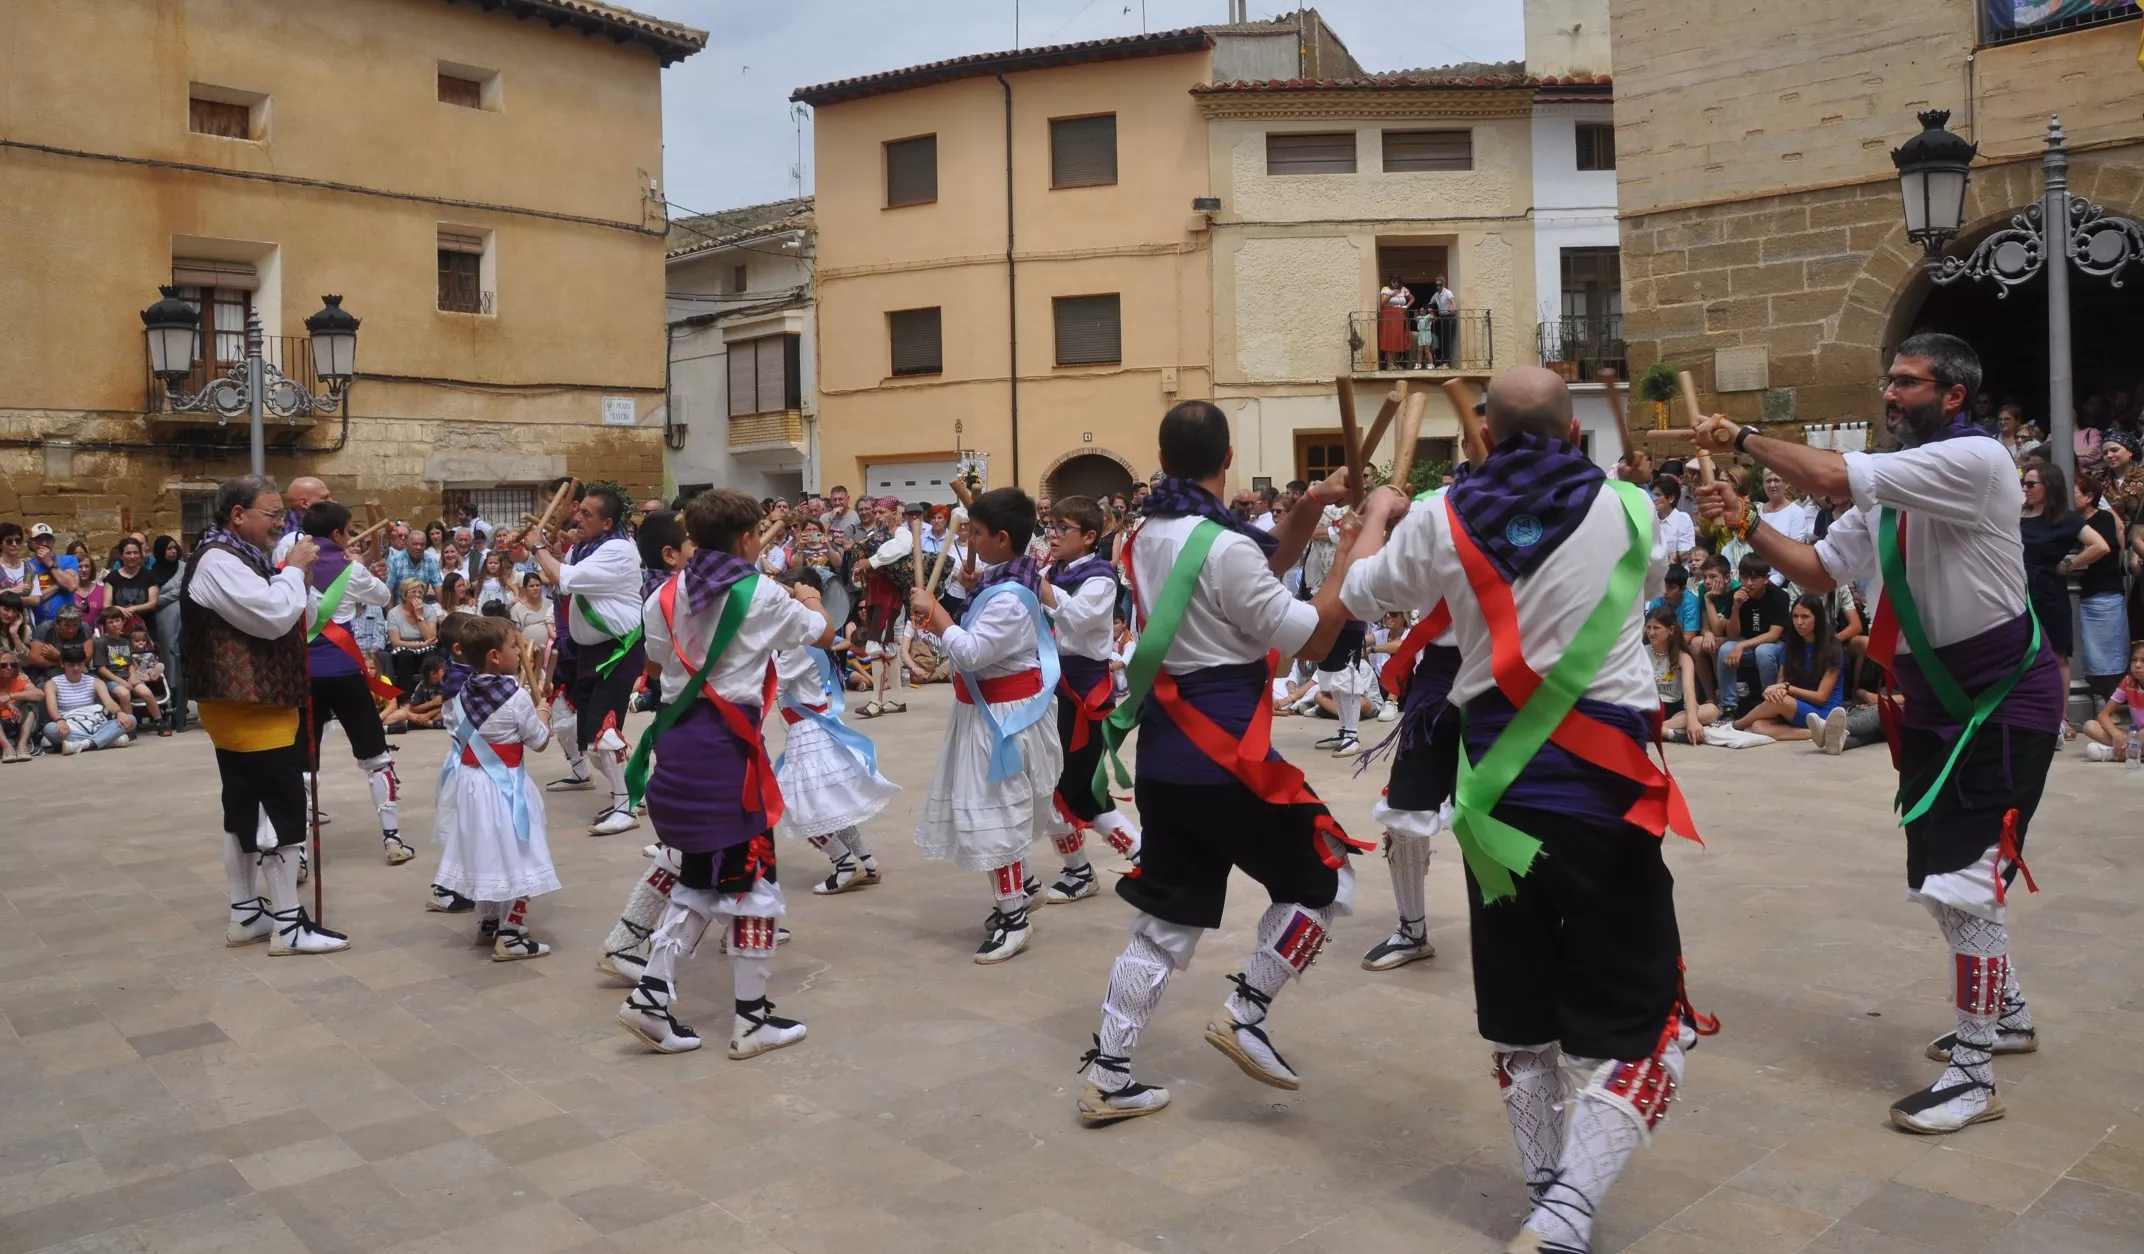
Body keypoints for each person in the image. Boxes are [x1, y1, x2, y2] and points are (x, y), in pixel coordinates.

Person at [1342, 366, 1703, 1252]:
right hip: (1603, 797)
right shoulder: (1630, 507)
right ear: (1575, 438)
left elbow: (1360, 596)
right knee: (1646, 1021)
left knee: (1522, 1012)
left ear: (1485, 441)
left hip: (1494, 804)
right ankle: (1567, 1211)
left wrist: (1378, 519)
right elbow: (1650, 574)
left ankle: (1547, 1189)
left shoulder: (1439, 516)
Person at [1691, 331, 2060, 1135]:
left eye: (1907, 383)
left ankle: (1973, 1074)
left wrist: (1742, 436)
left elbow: (1825, 473)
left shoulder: (1977, 461)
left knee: (1965, 883)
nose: (1891, 395)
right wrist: (1748, 520)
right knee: (1939, 878)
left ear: (1953, 395)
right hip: (1933, 704)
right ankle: (2012, 1014)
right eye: (1888, 382)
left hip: (2000, 703)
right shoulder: (1897, 487)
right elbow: (1820, 570)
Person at [1072, 400, 1363, 1124]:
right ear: (1227, 458)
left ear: (1163, 457)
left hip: (1168, 756)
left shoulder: (1140, 535)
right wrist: (1363, 542)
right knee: (1326, 874)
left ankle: (1109, 1072)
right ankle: (1246, 1009)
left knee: (1166, 921)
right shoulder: (1221, 547)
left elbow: (1255, 562)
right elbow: (1313, 640)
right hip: (1229, 758)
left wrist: (1315, 507)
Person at [616, 489, 833, 1058]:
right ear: (746, 540)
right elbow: (820, 634)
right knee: (752, 885)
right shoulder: (762, 593)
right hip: (729, 758)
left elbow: (658, 667)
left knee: (699, 879)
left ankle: (651, 998)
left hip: (678, 750)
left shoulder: (661, 595)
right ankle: (750, 1020)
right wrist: (811, 598)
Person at [181, 474, 349, 956]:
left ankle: (246, 915)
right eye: (272, 514)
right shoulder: (218, 560)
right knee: (280, 810)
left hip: (251, 702)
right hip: (251, 704)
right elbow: (274, 614)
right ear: (238, 515)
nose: (282, 523)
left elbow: (302, 615)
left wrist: (300, 578)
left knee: (244, 808)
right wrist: (294, 570)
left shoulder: (242, 556)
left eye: (282, 514)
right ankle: (289, 925)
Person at [907, 488, 1067, 963]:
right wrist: (958, 594)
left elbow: (974, 652)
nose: (968, 539)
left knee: (994, 815)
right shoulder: (1003, 583)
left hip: (1004, 721)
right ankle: (1020, 894)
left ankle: (1014, 917)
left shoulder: (1012, 599)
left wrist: (936, 616)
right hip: (982, 716)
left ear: (1002, 538)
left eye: (976, 533)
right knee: (995, 812)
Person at [428, 616, 556, 960]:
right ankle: (510, 933)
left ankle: (488, 922)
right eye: (514, 646)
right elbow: (539, 741)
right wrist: (544, 712)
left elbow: (456, 734)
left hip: (471, 785)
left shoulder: (460, 692)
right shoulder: (516, 698)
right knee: (520, 853)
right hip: (506, 785)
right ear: (495, 657)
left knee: (486, 848)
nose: (519, 651)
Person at [1037, 496, 1141, 905]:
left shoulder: (1101, 577)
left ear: (1090, 536)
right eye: (1051, 527)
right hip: (1050, 687)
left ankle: (1137, 854)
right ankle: (1080, 867)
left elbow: (1078, 618)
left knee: (1079, 787)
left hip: (1084, 691)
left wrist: (1041, 587)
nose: (1054, 535)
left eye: (1063, 528)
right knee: (1050, 786)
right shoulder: (1052, 570)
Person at [299, 502, 414, 867]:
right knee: (376, 756)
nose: (350, 536)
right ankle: (392, 838)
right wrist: (362, 568)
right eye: (348, 530)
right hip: (346, 674)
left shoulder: (285, 569)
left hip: (304, 677)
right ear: (336, 534)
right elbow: (383, 598)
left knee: (301, 764)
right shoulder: (352, 571)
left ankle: (297, 853)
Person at [529, 486, 645, 836]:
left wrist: (537, 548)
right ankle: (627, 794)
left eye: (587, 515)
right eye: (578, 512)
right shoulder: (587, 548)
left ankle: (627, 806)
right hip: (590, 652)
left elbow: (564, 578)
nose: (577, 517)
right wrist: (551, 552)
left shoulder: (619, 550)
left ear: (607, 522)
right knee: (589, 734)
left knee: (604, 734)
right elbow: (562, 573)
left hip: (616, 651)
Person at [1359, 591, 1464, 973]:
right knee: (1404, 811)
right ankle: (1412, 929)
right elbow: (1371, 593)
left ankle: (1517, 938)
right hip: (1436, 676)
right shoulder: (1426, 532)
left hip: (1509, 671)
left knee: (1500, 818)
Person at [773, 615, 900, 896]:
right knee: (829, 805)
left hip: (807, 732)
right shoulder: (811, 646)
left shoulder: (798, 649)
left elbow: (772, 685)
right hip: (816, 727)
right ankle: (866, 861)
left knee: (803, 808)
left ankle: (844, 864)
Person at [2018, 462, 2102, 737]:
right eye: (2024, 483)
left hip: (2049, 590)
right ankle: (2024, 712)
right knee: (2017, 653)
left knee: (2056, 655)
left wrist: (2069, 565)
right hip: (2016, 587)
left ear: (2048, 487)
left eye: (2031, 484)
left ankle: (2059, 717)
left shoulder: (2064, 518)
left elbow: (2100, 545)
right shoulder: (2017, 512)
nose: (2025, 489)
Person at [1730, 593, 1846, 749]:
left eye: (1805, 617)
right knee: (1758, 726)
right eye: (1795, 616)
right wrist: (1776, 690)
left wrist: (1786, 688)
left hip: (1824, 711)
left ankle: (1735, 726)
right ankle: (1819, 733)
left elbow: (1821, 697)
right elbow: (1781, 682)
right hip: (1798, 706)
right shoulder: (1791, 645)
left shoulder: (1832, 648)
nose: (1799, 622)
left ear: (1817, 618)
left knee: (1778, 701)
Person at [2070, 470, 2128, 706]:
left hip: (2103, 594)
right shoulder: (2066, 520)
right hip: (2078, 595)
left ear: (2088, 497)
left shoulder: (2102, 518)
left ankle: (2106, 703)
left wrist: (2068, 565)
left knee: (2106, 655)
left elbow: (2101, 549)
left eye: (2072, 493)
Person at [855, 500, 916, 718]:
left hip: (889, 597)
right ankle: (897, 699)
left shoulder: (901, 533)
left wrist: (871, 561)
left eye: (882, 512)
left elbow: (898, 549)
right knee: (887, 645)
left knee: (878, 644)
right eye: (876, 512)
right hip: (875, 595)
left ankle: (876, 701)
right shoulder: (875, 535)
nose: (878, 515)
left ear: (893, 514)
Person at [1715, 553, 1789, 716]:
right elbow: (1733, 636)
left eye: (1754, 578)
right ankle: (1728, 706)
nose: (1749, 583)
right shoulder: (1735, 595)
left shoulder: (1780, 596)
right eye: (1745, 577)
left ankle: (1770, 704)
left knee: (1763, 651)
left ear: (1766, 578)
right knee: (1726, 648)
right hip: (1746, 642)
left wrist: (1742, 645)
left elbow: (1774, 635)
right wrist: (1736, 608)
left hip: (1775, 646)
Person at [1647, 605, 1720, 745]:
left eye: (1657, 628)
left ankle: (1657, 729)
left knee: (1712, 710)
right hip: (1649, 708)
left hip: (1674, 712)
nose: (1651, 633)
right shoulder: (1641, 653)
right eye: (1649, 627)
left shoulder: (1682, 656)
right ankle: (1670, 733)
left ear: (1671, 630)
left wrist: (1692, 721)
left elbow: (1689, 691)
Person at [43, 644, 133, 753]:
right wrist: (59, 720)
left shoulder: (95, 681)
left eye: (79, 664)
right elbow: (52, 709)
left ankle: (84, 744)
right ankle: (107, 740)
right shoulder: (52, 683)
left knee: (131, 719)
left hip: (95, 723)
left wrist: (119, 713)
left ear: (83, 664)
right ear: (63, 664)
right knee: (49, 729)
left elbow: (108, 701)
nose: (76, 668)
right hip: (69, 724)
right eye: (71, 665)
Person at [91, 606, 162, 730]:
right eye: (110, 622)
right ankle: (130, 727)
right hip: (111, 679)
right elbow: (101, 669)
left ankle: (159, 722)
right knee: (124, 694)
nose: (114, 624)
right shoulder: (100, 642)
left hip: (128, 676)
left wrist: (133, 676)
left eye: (117, 621)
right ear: (105, 624)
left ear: (123, 621)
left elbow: (130, 664)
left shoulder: (125, 642)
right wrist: (121, 682)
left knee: (146, 693)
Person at [385, 578, 440, 692]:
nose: (417, 595)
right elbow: (395, 642)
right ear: (404, 595)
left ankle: (431, 694)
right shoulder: (393, 613)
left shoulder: (429, 610)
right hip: (403, 648)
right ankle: (406, 699)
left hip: (426, 647)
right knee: (405, 656)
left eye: (420, 592)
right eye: (413, 591)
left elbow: (431, 638)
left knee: (432, 657)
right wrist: (422, 644)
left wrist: (419, 616)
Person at [102, 538, 162, 638]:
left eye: (135, 553)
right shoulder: (112, 577)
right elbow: (106, 605)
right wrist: (120, 609)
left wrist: (133, 609)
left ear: (140, 555)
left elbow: (153, 603)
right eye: (128, 553)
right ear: (121, 556)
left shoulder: (150, 576)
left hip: (145, 629)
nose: (132, 556)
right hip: (119, 630)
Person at [23, 525, 80, 624]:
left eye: (48, 539)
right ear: (31, 543)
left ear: (53, 542)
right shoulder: (27, 567)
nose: (44, 543)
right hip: (39, 624)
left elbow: (72, 586)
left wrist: (49, 562)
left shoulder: (69, 560)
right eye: (39, 540)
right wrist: (58, 585)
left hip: (67, 623)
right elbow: (30, 598)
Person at [0, 649, 40, 762]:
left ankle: (22, 746)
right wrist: (8, 705)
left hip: (18, 723)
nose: (9, 668)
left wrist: (10, 696)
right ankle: (7, 748)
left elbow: (39, 694)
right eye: (3, 665)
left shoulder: (19, 681)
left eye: (12, 665)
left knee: (32, 702)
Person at [1653, 477, 1695, 567]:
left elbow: (1686, 550)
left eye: (1658, 495)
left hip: (1676, 572)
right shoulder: (1649, 518)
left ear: (1671, 498)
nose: (1654, 499)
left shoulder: (1682, 519)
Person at [1377, 275, 1412, 370]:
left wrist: (1406, 307)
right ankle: (1390, 364)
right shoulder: (1386, 289)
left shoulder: (1403, 290)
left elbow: (1412, 298)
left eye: (1398, 281)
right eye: (1394, 281)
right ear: (1390, 281)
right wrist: (1391, 295)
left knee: (1397, 339)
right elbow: (1382, 303)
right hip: (1389, 316)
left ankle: (1395, 363)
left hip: (1399, 317)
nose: (1396, 283)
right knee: (1389, 339)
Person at [1428, 275, 1458, 367]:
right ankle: (1443, 362)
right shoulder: (1436, 295)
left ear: (1443, 284)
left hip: (1449, 317)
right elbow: (1430, 304)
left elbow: (1453, 301)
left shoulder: (1447, 292)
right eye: (1436, 285)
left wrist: (1453, 307)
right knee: (1441, 340)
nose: (1438, 287)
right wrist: (1432, 313)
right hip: (1442, 318)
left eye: (1440, 285)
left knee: (1447, 340)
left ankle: (1446, 363)